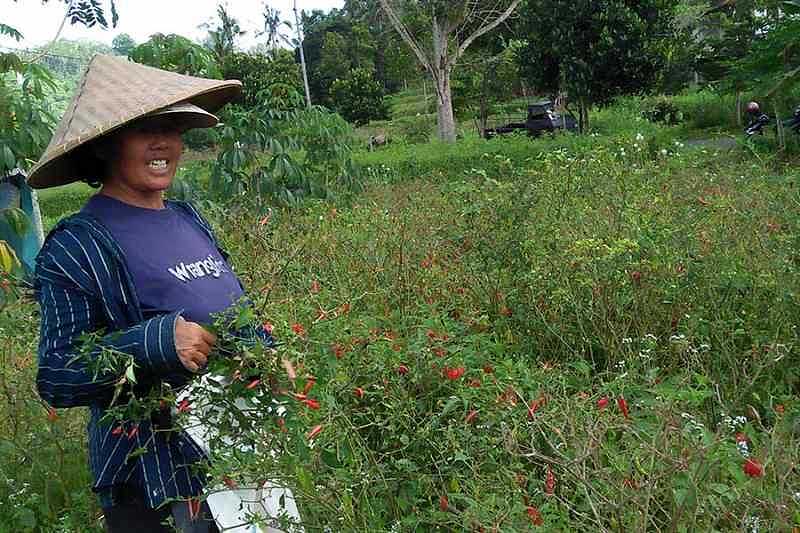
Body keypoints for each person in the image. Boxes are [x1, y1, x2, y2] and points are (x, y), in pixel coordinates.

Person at [27, 54, 267, 532]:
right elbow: (56, 375)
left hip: (242, 456)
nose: (163, 143)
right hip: (157, 482)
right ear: (104, 147)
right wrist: (154, 343)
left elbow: (229, 312)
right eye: (143, 129)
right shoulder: (78, 243)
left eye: (172, 128)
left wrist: (267, 350)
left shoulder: (186, 218)